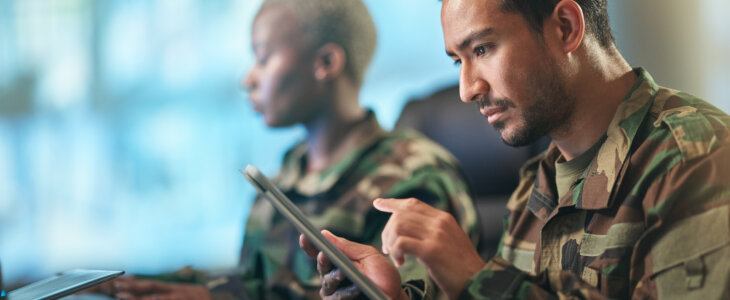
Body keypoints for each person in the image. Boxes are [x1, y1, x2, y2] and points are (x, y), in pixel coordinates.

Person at [301, 0, 730, 299]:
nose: (468, 90)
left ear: (565, 27)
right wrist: (392, 295)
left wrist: (474, 278)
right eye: (458, 60)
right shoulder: (537, 184)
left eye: (482, 49)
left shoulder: (697, 159)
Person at [94, 0, 479, 299]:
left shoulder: (413, 176)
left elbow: (403, 294)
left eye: (263, 58)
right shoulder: (282, 180)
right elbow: (254, 284)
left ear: (326, 62)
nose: (249, 78)